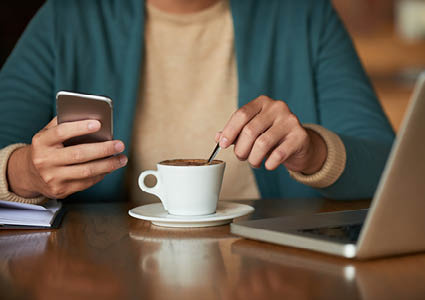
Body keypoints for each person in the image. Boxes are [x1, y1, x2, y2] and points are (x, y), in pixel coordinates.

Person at [0, 0, 394, 204]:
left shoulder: (302, 13)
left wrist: (313, 152)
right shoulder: (67, 17)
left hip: (276, 276)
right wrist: (26, 174)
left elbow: (389, 169)